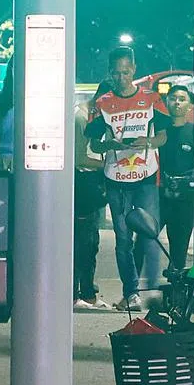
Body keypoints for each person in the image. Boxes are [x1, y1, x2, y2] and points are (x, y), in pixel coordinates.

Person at [85, 46, 169, 312]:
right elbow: (93, 144)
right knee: (123, 238)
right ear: (110, 73)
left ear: (133, 69)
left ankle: (153, 290)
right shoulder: (103, 103)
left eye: (126, 72)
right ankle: (131, 292)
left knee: (150, 234)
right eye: (117, 73)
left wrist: (150, 140)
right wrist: (107, 144)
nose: (122, 77)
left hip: (145, 175)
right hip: (116, 178)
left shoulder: (152, 98)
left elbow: (163, 137)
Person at [73, 82, 113, 310]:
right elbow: (79, 158)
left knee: (90, 241)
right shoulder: (81, 117)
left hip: (93, 184)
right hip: (84, 184)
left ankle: (87, 293)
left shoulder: (98, 116)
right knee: (84, 241)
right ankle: (81, 293)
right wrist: (108, 165)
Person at [160, 84, 194, 271]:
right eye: (173, 98)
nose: (177, 102)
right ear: (167, 101)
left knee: (179, 249)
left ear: (189, 105)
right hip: (158, 196)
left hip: (185, 199)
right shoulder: (158, 130)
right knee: (142, 241)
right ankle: (131, 292)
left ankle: (176, 294)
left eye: (182, 99)